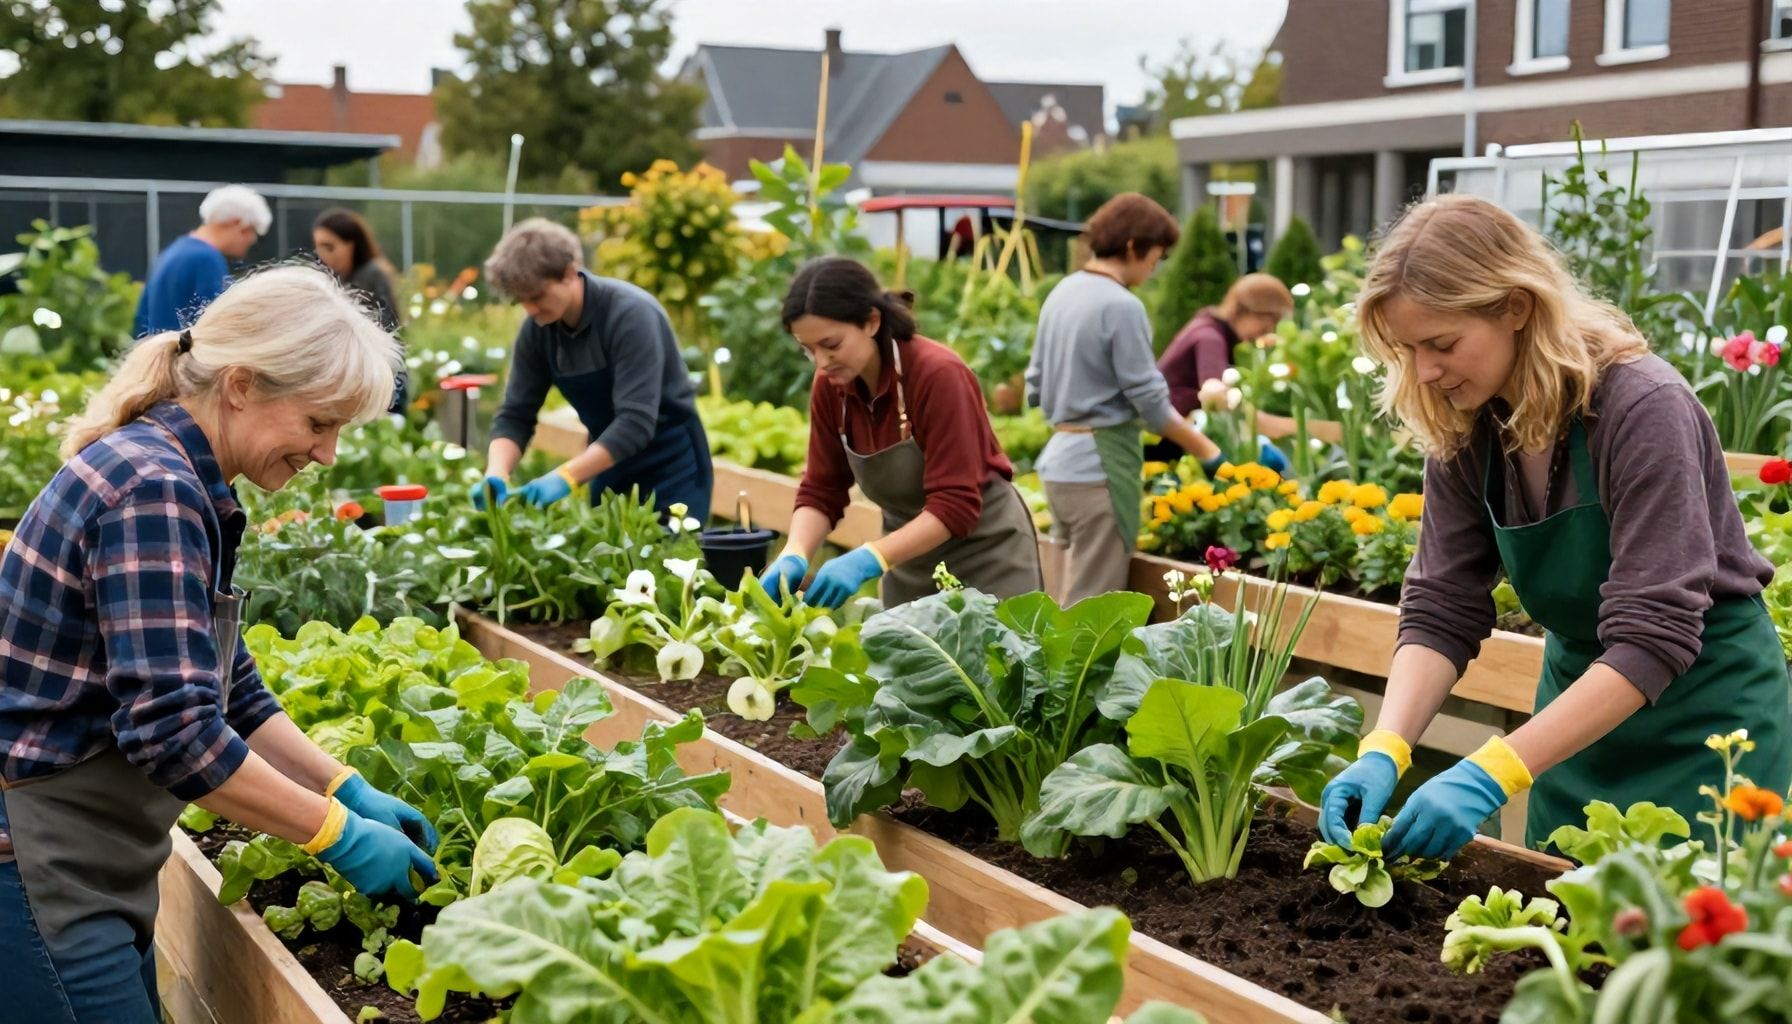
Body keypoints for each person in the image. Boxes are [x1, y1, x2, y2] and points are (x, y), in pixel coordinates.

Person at [0, 266, 436, 1023]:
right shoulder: (153, 490)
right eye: (319, 423)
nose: (328, 454)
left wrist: (342, 785)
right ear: (241, 385)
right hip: (34, 865)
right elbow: (174, 734)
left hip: (78, 860)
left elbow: (229, 690)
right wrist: (335, 835)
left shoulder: (179, 476)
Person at [1319, 194, 1792, 863]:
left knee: (1688, 925)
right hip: (1576, 726)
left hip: (1710, 725)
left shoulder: (1642, 408)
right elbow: (1443, 604)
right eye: (1408, 349)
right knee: (1559, 919)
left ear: (1516, 307)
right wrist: (1386, 747)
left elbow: (1653, 636)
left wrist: (1492, 772)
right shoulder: (1468, 422)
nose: (1425, 371)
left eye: (1442, 344)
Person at [1026, 192, 1285, 607]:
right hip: (1100, 468)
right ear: (1133, 246)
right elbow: (1150, 403)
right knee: (1094, 608)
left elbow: (1035, 386)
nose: (1155, 268)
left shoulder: (1063, 291)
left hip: (1058, 465)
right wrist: (1209, 452)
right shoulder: (1121, 305)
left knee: (1061, 599)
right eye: (1157, 256)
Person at [760, 258, 1043, 608]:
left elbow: (955, 505)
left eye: (831, 345)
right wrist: (795, 552)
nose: (821, 361)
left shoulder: (938, 374)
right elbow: (822, 489)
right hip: (909, 560)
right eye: (808, 349)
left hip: (987, 556)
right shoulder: (831, 386)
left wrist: (871, 558)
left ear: (871, 321)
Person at [472, 219, 713, 519]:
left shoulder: (630, 315)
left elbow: (635, 422)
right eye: (520, 300)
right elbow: (515, 414)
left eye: (536, 296)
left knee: (667, 549)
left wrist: (565, 477)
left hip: (672, 471)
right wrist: (496, 473)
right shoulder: (538, 330)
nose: (530, 309)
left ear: (569, 272)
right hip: (608, 465)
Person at [1147, 273, 1295, 462]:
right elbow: (1213, 392)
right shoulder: (1210, 338)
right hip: (1165, 445)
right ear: (1246, 310)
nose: (1268, 332)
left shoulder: (1206, 327)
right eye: (1268, 323)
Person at [134, 184, 271, 336]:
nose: (252, 240)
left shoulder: (171, 252)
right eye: (250, 231)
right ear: (236, 223)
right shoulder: (206, 260)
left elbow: (141, 320)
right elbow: (220, 327)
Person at [312, 208, 407, 412]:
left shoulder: (372, 276)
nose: (322, 254)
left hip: (380, 379)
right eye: (318, 247)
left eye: (329, 246)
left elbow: (386, 329)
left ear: (351, 246)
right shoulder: (333, 279)